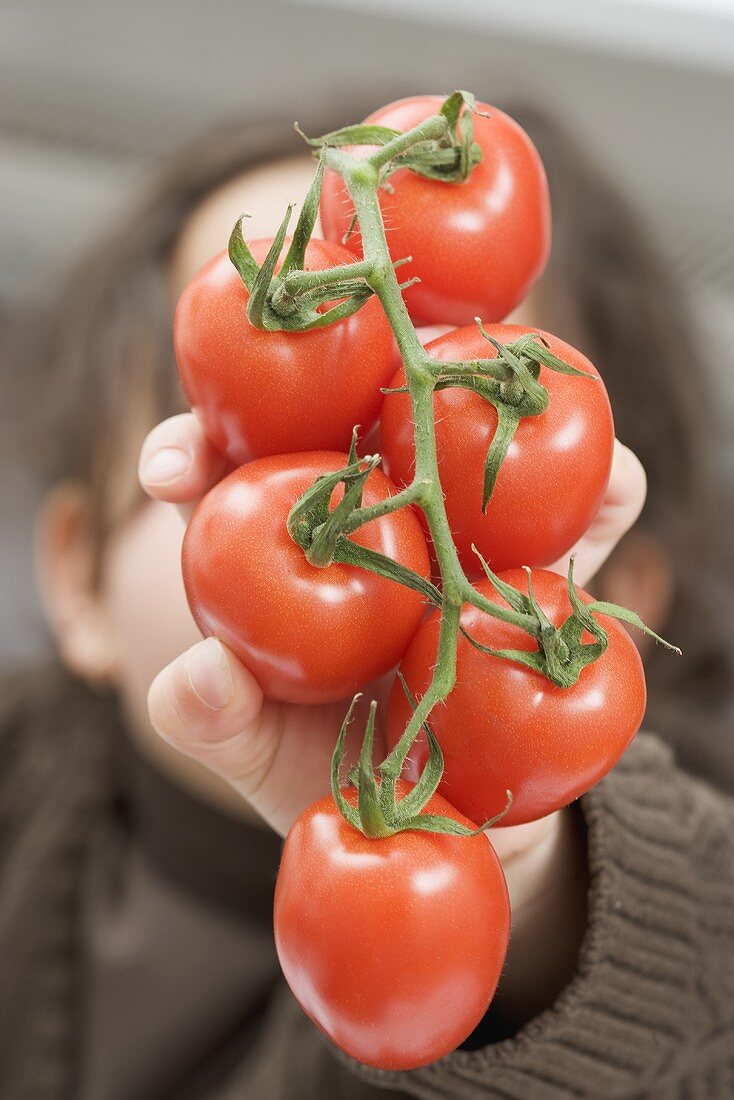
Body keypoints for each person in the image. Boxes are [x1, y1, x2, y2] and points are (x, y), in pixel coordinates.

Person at [1, 95, 733, 1099]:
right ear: (78, 576)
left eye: (455, 401)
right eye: (260, 449)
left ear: (610, 606)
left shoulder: (658, 854)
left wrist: (530, 886)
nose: (368, 499)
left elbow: (701, 999)